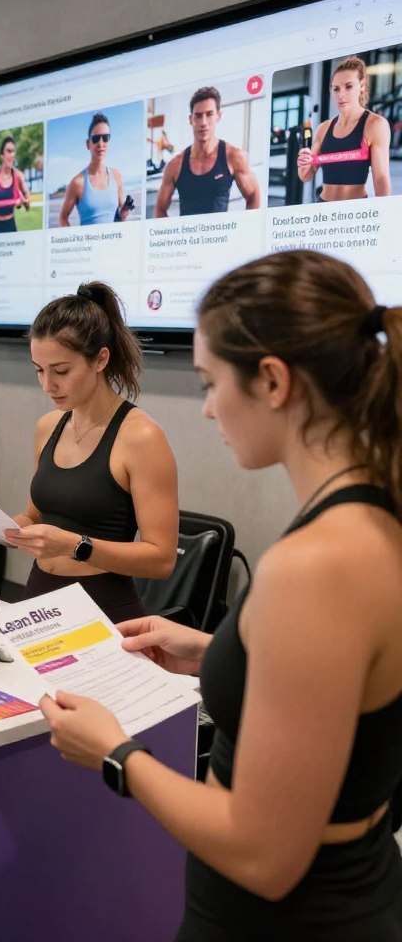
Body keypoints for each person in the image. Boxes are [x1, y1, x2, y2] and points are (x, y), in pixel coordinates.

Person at [40, 250, 402, 941]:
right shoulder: (368, 517)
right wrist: (215, 651)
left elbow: (264, 853)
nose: (206, 409)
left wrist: (116, 753)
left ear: (271, 380)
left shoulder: (319, 563)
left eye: (209, 383)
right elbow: (339, 701)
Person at [0, 282, 178, 622]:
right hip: (38, 601)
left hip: (104, 609)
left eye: (60, 371)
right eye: (39, 370)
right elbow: (35, 517)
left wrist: (75, 546)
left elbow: (161, 559)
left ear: (100, 359)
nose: (47, 385)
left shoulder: (142, 437)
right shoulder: (48, 427)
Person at [153, 87, 261, 217]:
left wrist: (245, 231)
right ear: (191, 119)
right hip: (188, 236)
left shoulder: (234, 157)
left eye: (209, 114)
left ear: (218, 116)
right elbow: (160, 209)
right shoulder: (175, 165)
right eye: (198, 116)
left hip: (220, 236)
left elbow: (253, 194)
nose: (203, 123)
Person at [297, 56, 391, 200]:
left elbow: (381, 179)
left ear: (362, 85)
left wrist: (384, 215)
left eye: (348, 86)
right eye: (336, 89)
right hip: (322, 207)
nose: (341, 94)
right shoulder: (323, 128)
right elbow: (306, 175)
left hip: (355, 212)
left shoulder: (375, 124)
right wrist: (303, 163)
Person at [59, 113, 134, 226]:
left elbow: (119, 218)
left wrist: (123, 212)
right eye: (95, 139)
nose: (100, 144)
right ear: (88, 144)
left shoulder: (116, 176)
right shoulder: (77, 183)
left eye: (105, 138)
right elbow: (63, 218)